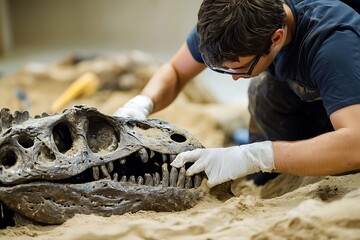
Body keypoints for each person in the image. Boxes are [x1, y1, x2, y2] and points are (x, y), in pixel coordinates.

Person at [114, 0, 360, 187]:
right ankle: (266, 178)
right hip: (310, 87)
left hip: (349, 101)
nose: (233, 77)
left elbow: (355, 145)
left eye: (239, 69)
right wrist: (141, 104)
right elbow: (177, 71)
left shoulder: (332, 46)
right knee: (265, 91)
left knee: (262, 89)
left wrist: (255, 156)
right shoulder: (230, 17)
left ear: (276, 38)